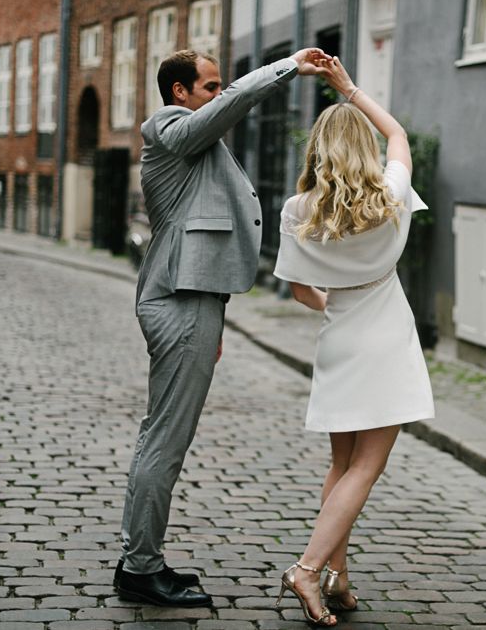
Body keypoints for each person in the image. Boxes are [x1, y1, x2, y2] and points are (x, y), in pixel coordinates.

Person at [115, 47, 331, 608]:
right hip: (178, 302)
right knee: (164, 439)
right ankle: (140, 568)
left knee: (160, 435)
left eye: (217, 85)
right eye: (209, 86)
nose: (218, 92)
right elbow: (235, 104)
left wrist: (217, 322)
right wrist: (288, 67)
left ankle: (142, 560)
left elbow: (205, 240)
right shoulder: (168, 128)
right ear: (179, 92)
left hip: (195, 303)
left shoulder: (195, 143)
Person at [272, 56, 435, 626]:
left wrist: (334, 304)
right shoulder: (390, 195)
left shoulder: (298, 210)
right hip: (385, 338)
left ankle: (338, 579)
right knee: (367, 467)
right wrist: (349, 88)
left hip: (339, 338)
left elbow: (299, 291)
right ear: (361, 150)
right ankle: (309, 568)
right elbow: (397, 133)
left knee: (342, 466)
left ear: (317, 151)